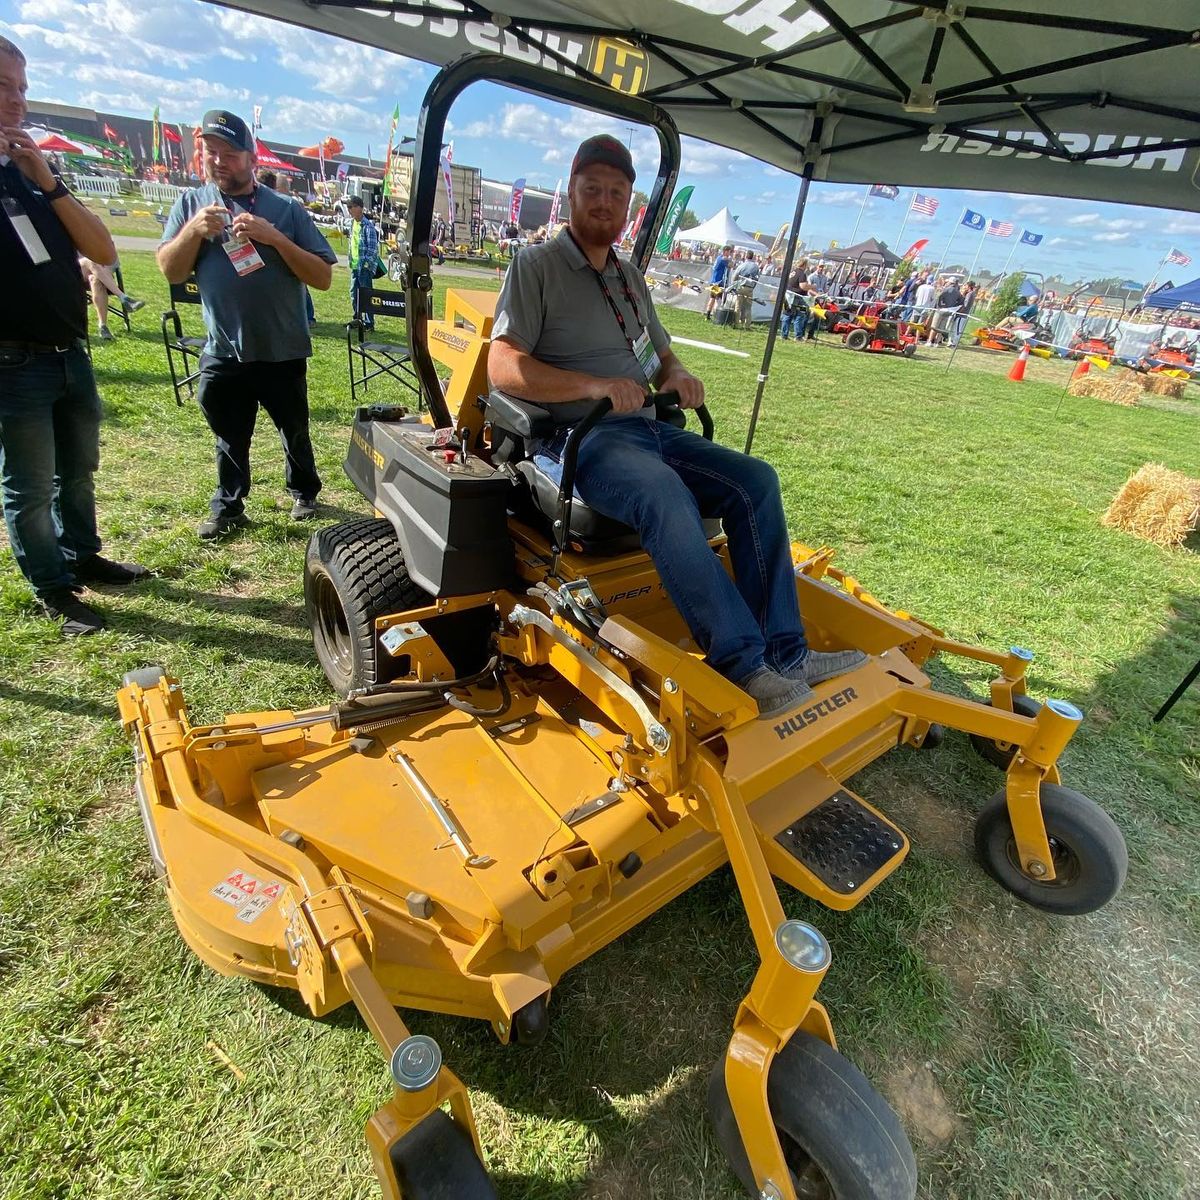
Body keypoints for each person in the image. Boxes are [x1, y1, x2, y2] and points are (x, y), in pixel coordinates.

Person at [487, 134, 866, 719]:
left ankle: (786, 655)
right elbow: (502, 365)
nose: (604, 202)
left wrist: (680, 374)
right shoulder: (536, 266)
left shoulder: (629, 278)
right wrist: (593, 386)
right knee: (664, 493)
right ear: (572, 192)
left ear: (629, 203)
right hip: (581, 438)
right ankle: (742, 665)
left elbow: (659, 355)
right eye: (592, 189)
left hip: (649, 429)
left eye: (617, 193)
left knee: (756, 481)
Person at [0, 35, 149, 635]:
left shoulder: (34, 172)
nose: (17, 100)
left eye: (22, 88)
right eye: (3, 87)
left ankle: (81, 553)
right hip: (12, 363)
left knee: (78, 468)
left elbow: (102, 249)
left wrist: (47, 179)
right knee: (30, 487)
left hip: (69, 353)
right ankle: (53, 587)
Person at [157, 109, 337, 539]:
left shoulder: (286, 209)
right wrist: (193, 232)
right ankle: (229, 504)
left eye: (230, 154)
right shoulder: (191, 205)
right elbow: (170, 270)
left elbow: (323, 277)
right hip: (224, 348)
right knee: (229, 434)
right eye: (211, 152)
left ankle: (304, 491)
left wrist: (274, 237)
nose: (219, 161)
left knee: (294, 428)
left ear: (252, 159)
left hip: (281, 346)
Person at [78, 256, 144, 340]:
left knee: (95, 279)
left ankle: (103, 326)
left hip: (101, 271)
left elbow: (112, 259)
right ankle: (123, 298)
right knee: (91, 261)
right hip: (75, 270)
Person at [347, 195, 380, 330]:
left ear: (360, 208)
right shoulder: (352, 223)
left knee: (366, 295)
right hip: (355, 266)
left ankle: (369, 323)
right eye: (348, 207)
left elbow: (373, 248)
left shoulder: (368, 226)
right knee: (354, 294)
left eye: (352, 207)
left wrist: (366, 264)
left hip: (364, 267)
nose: (349, 210)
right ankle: (357, 319)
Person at [778, 259, 812, 341]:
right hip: (797, 298)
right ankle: (798, 336)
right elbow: (803, 286)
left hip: (788, 296)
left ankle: (784, 335)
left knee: (787, 315)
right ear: (804, 265)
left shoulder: (793, 272)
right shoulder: (802, 274)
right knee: (800, 315)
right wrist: (812, 286)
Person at [730, 251, 760, 327]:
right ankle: (747, 325)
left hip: (741, 287)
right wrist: (753, 287)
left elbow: (735, 276)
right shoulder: (756, 267)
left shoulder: (742, 265)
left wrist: (733, 286)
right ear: (752, 257)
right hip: (750, 288)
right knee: (748, 307)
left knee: (738, 306)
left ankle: (736, 323)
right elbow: (757, 279)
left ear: (746, 256)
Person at [704, 243, 732, 319]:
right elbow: (731, 265)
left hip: (713, 281)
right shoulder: (723, 259)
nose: (729, 254)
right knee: (718, 300)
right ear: (725, 251)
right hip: (718, 282)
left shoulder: (718, 257)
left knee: (712, 298)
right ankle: (715, 316)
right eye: (729, 252)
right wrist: (730, 260)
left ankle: (707, 315)